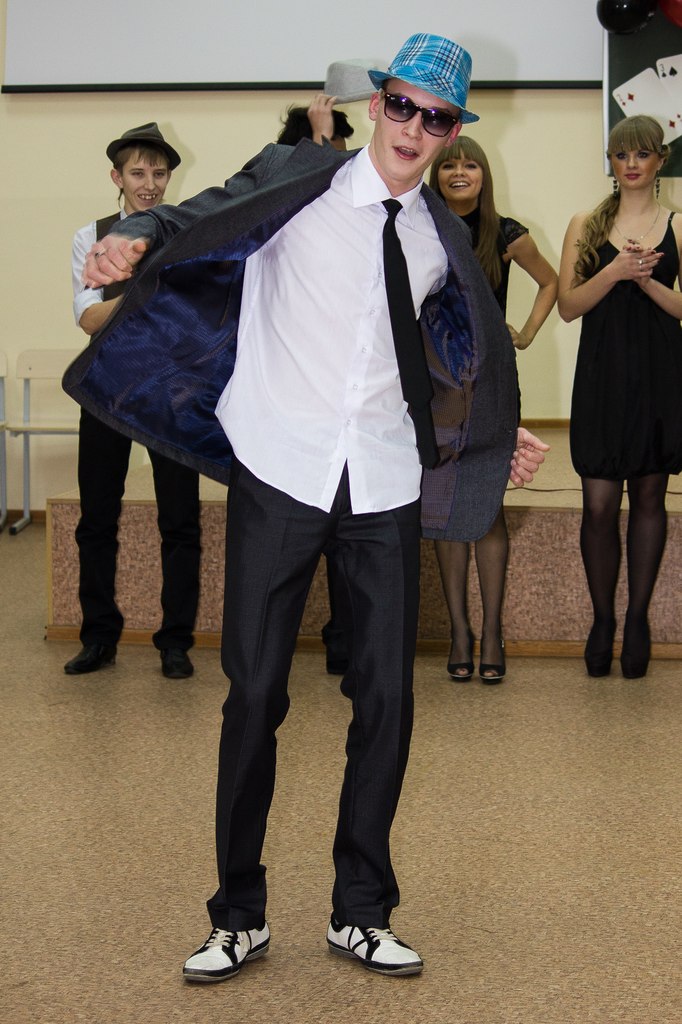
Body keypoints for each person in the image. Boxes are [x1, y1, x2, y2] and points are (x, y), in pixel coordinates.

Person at [65, 33, 546, 979]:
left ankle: (360, 910)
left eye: (437, 118)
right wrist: (137, 235)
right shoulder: (300, 178)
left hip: (383, 481)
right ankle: (237, 914)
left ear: (453, 134)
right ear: (377, 104)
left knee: (389, 698)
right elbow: (199, 214)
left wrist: (494, 431)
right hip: (280, 465)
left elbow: (448, 354)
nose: (414, 128)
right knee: (254, 693)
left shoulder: (440, 238)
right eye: (401, 105)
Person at [65, 123, 201, 680]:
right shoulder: (92, 236)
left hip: (174, 390)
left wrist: (125, 304)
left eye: (159, 173)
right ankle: (98, 636)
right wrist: (152, 296)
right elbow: (87, 318)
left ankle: (176, 641)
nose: (149, 184)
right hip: (105, 387)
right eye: (138, 173)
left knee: (180, 521)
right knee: (97, 518)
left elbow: (194, 321)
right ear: (116, 178)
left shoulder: (187, 233)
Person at [427, 137, 557, 682]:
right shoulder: (420, 225)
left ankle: (493, 632)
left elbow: (550, 282)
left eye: (469, 164)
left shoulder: (504, 233)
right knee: (443, 504)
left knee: (486, 502)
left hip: (491, 383)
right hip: (436, 384)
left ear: (484, 174)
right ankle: (460, 632)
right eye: (449, 165)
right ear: (435, 174)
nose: (459, 172)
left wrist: (522, 334)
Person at [558, 114, 682, 679]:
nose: (631, 163)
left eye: (642, 154)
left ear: (661, 161)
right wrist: (615, 272)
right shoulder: (585, 224)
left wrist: (647, 279)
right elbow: (568, 306)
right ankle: (602, 619)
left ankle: (637, 621)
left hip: (660, 377)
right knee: (599, 505)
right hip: (602, 377)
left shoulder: (677, 224)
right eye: (620, 154)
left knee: (650, 498)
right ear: (610, 162)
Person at [276, 94, 355, 674]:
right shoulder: (278, 197)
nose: (343, 162)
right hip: (289, 419)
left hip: (351, 414)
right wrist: (320, 137)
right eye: (331, 149)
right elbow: (312, 186)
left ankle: (344, 641)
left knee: (349, 549)